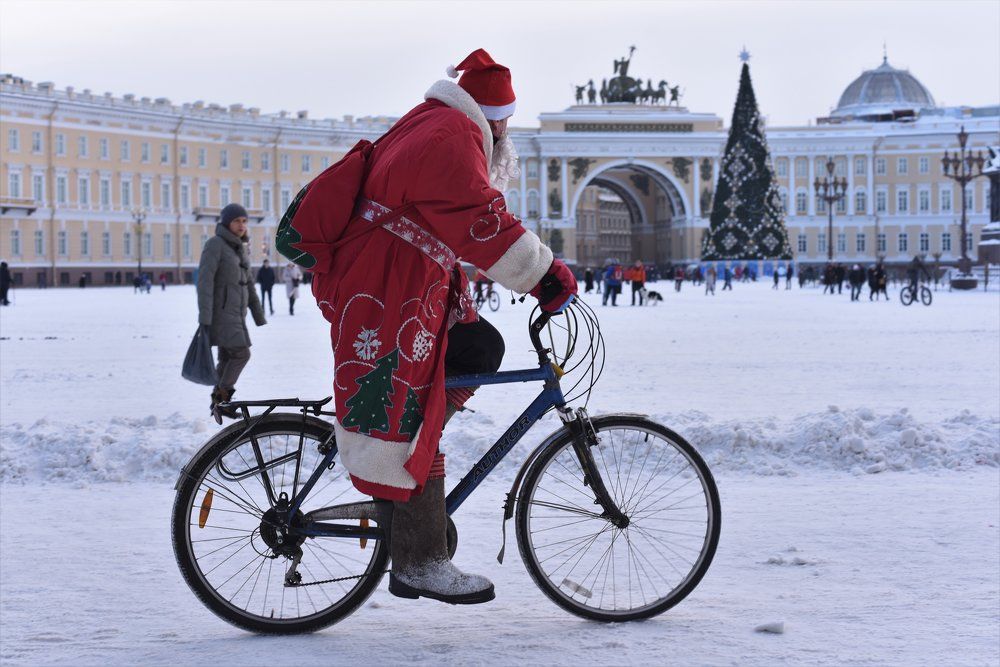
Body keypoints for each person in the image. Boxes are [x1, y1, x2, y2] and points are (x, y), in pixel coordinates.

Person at [276, 49, 573, 605]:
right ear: (494, 117)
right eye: (507, 119)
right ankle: (420, 560)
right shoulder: (451, 136)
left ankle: (410, 467)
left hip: (395, 282)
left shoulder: (433, 121)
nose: (507, 130)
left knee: (479, 346)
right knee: (412, 417)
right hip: (387, 290)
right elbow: (480, 219)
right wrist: (545, 274)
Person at [197, 203, 267, 421]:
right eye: (237, 221)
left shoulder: (239, 247)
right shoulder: (215, 245)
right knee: (241, 354)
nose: (242, 225)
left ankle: (219, 402)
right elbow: (205, 282)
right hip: (221, 315)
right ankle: (222, 400)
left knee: (227, 358)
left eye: (244, 221)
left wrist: (258, 314)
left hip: (237, 315)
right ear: (227, 222)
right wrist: (205, 318)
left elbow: (249, 284)